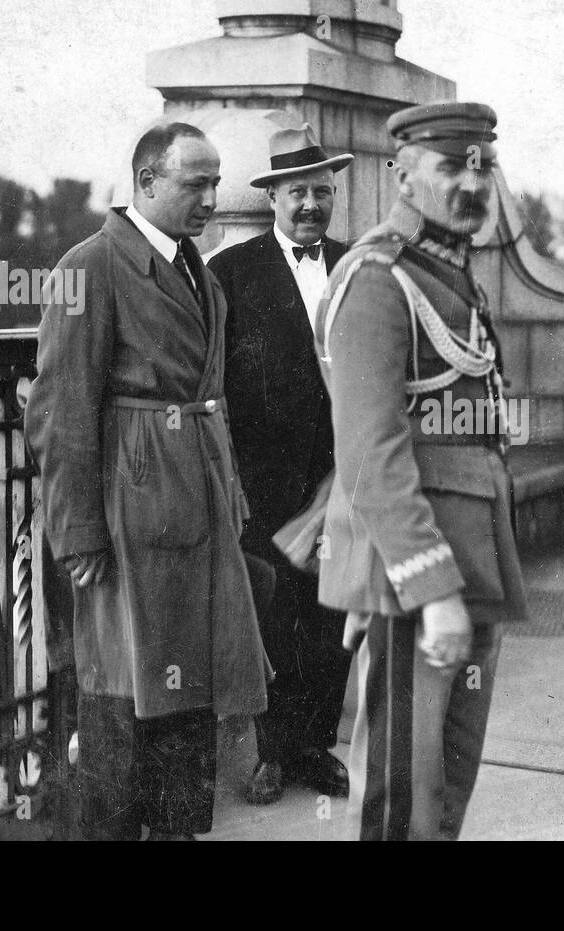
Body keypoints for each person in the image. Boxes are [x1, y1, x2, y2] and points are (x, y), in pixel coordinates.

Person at [25, 122, 270, 840]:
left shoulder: (196, 266)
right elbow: (60, 410)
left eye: (216, 182)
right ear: (146, 183)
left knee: (187, 687)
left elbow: (210, 390)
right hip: (129, 513)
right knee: (121, 691)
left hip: (194, 498)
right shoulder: (91, 266)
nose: (211, 197)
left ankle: (178, 831)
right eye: (195, 182)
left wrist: (231, 490)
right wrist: (77, 531)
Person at [314, 101, 529, 840]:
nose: (474, 184)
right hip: (416, 581)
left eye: (484, 167)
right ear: (401, 175)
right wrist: (432, 589)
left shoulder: (449, 275)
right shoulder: (377, 278)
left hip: (469, 565)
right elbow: (370, 452)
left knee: (447, 788)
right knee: (401, 795)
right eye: (451, 167)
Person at [208, 124, 354, 805]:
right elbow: (209, 384)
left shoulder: (357, 267)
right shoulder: (231, 273)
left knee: (332, 615)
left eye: (323, 193)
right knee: (273, 615)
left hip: (342, 480)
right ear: (273, 196)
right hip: (261, 481)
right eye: (299, 193)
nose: (311, 206)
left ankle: (314, 747)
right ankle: (270, 751)